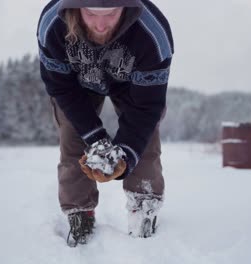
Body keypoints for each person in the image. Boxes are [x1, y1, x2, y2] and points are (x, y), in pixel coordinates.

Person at [36, 0, 174, 247]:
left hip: (132, 87)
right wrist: (96, 138)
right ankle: (80, 213)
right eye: (90, 13)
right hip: (77, 87)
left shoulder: (153, 35)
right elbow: (61, 88)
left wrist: (125, 155)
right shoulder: (53, 26)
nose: (100, 25)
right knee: (73, 139)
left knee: (145, 143)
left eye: (110, 13)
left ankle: (144, 206)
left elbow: (145, 109)